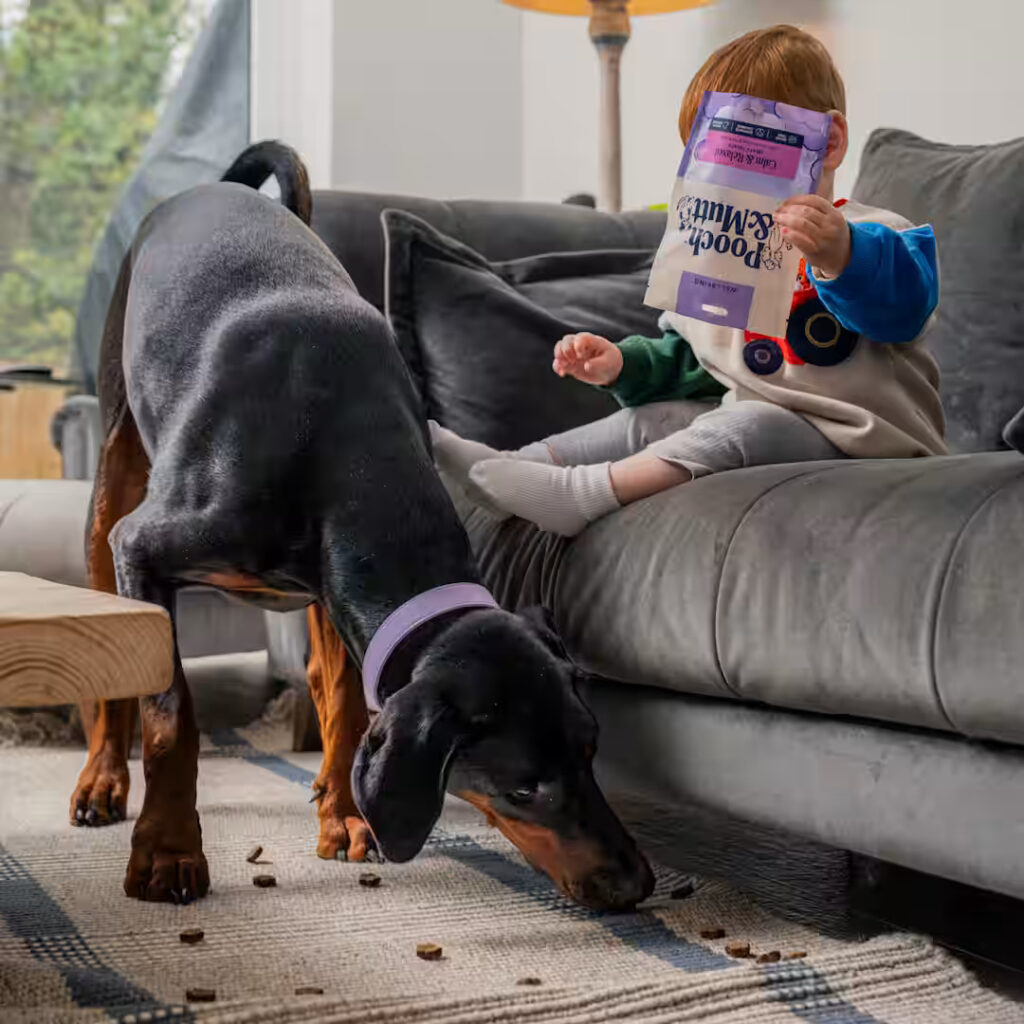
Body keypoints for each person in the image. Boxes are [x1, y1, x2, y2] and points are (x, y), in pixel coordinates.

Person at [433, 24, 946, 538]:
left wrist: (841, 253)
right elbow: (698, 363)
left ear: (828, 142)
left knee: (749, 422)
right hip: (764, 428)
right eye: (714, 159)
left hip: (868, 447)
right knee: (658, 418)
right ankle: (510, 466)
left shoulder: (879, 234)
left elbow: (902, 311)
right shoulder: (729, 249)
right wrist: (623, 364)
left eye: (749, 156)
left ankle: (581, 495)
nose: (730, 181)